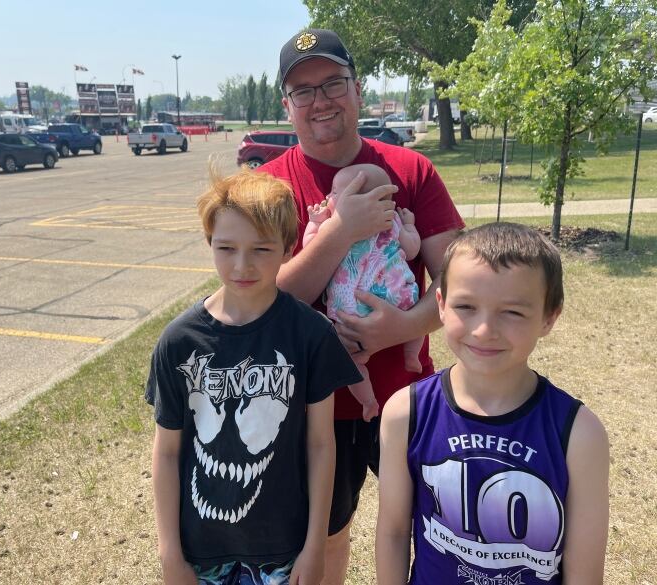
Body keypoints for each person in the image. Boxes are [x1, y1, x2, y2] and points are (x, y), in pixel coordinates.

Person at [261, 28, 465, 583]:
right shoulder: (267, 188)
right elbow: (263, 302)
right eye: (302, 90)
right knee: (327, 538)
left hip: (404, 399)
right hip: (309, 409)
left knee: (431, 530)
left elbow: (461, 283)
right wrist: (337, 234)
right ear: (286, 105)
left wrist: (402, 326)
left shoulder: (412, 171)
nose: (319, 99)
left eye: (332, 82)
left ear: (357, 88)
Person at [146, 168, 362, 585]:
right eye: (226, 248)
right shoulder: (179, 341)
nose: (242, 265)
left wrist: (315, 545)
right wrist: (170, 553)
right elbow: (167, 453)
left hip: (285, 544)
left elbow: (320, 444)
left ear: (288, 247)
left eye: (261, 249)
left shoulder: (310, 334)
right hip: (200, 549)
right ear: (210, 243)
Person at [376, 222, 610, 584]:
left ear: (549, 316)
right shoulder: (405, 413)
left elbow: (584, 573)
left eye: (513, 312)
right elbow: (392, 534)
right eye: (466, 306)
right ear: (440, 305)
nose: (485, 329)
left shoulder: (580, 435)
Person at [303, 163, 425, 422]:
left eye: (335, 193)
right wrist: (410, 226)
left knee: (353, 362)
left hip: (350, 309)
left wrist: (315, 224)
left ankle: (368, 401)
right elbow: (413, 250)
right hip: (397, 296)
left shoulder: (332, 229)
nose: (328, 197)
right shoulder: (391, 224)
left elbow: (310, 247)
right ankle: (411, 354)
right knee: (416, 316)